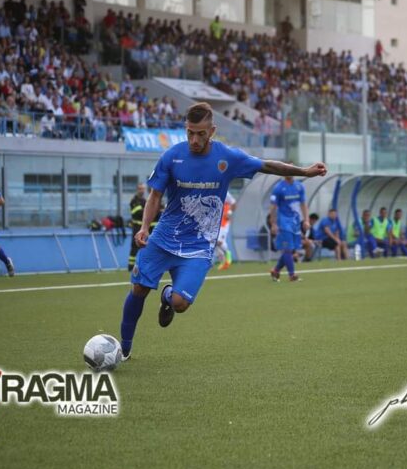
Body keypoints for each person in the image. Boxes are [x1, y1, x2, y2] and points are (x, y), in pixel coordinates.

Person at [119, 102, 326, 359]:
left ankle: (168, 295)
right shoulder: (172, 156)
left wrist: (304, 171)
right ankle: (123, 348)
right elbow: (155, 195)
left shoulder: (227, 158)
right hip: (163, 238)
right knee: (138, 289)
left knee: (180, 304)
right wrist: (144, 227)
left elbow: (267, 166)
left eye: (201, 133)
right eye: (190, 133)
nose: (194, 139)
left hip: (199, 245)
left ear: (212, 130)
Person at [269, 172, 310, 282]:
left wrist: (306, 220)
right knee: (287, 249)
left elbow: (303, 204)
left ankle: (276, 271)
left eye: (291, 169)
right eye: (286, 169)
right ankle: (292, 275)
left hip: (295, 222)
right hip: (283, 223)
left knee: (291, 249)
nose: (289, 171)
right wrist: (273, 223)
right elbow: (273, 207)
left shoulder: (299, 186)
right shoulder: (278, 188)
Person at [215, 191, 237, 270]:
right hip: (214, 222)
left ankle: (228, 254)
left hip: (224, 222)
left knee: (219, 241)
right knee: (213, 242)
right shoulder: (210, 191)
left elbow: (234, 203)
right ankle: (223, 262)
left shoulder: (225, 193)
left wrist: (229, 213)